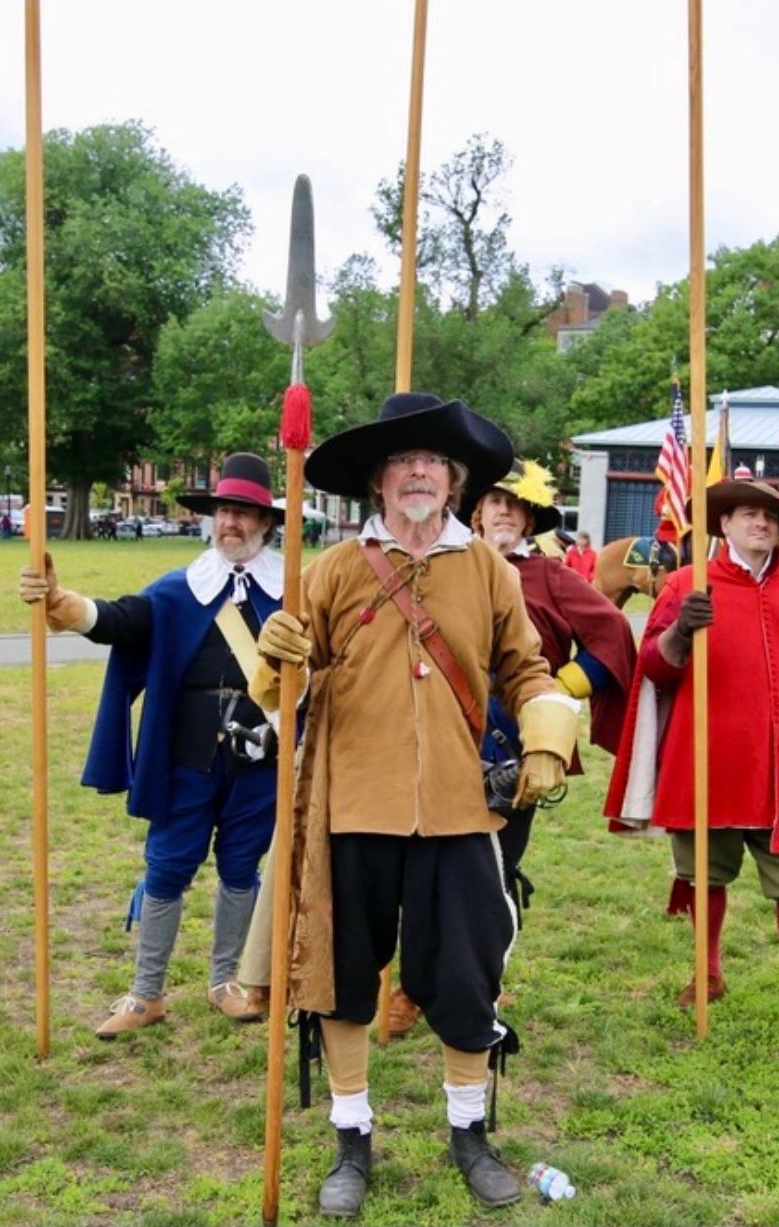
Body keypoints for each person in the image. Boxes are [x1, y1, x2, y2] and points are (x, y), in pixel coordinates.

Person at [243, 393, 579, 1217]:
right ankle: (350, 1137)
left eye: (432, 460)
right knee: (341, 977)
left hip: (460, 808)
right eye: (401, 462)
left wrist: (544, 739)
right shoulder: (331, 569)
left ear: (455, 480)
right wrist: (275, 653)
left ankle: (470, 1131)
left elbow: (527, 669)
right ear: (378, 483)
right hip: (350, 803)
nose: (417, 472)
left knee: (465, 976)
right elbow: (280, 689)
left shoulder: (488, 570)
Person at [19, 453, 287, 1038]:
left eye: (243, 513)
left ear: (266, 524)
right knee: (166, 869)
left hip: (260, 764)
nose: (231, 524)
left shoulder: (295, 593)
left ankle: (226, 982)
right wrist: (62, 602)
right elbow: (119, 620)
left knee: (242, 870)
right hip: (186, 761)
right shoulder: (179, 588)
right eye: (223, 512)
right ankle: (146, 995)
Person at [605, 480, 779, 1046]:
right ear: (723, 525)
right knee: (704, 874)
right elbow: (653, 668)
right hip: (707, 761)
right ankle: (708, 974)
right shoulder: (684, 584)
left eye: (771, 517)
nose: (761, 524)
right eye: (749, 514)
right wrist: (680, 630)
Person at [388, 459, 635, 1037]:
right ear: (476, 509)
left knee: (490, 874)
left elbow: (614, 636)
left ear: (529, 520)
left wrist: (555, 692)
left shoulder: (548, 577)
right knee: (418, 866)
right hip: (430, 730)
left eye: (516, 505)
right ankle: (413, 986)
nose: (504, 511)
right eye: (495, 500)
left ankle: (476, 988)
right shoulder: (438, 565)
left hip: (511, 742)